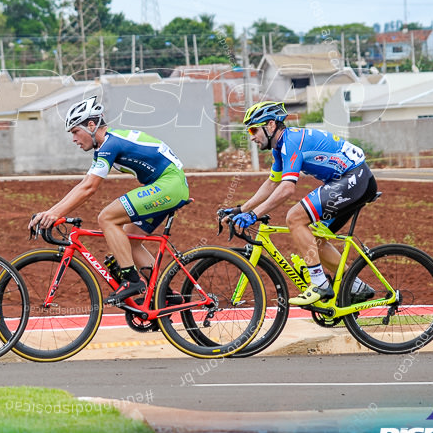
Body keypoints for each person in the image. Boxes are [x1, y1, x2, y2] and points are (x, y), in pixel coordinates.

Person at [29, 96, 190, 305]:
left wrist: (55, 214)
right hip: (169, 185)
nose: (74, 139)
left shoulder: (110, 144)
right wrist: (50, 211)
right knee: (130, 241)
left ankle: (132, 280)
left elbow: (89, 188)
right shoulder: (106, 145)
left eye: (75, 132)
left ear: (91, 125)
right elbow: (83, 184)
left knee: (107, 218)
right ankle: (164, 294)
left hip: (169, 184)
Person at [227, 100, 376, 307]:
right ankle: (356, 286)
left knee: (295, 218)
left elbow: (287, 188)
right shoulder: (280, 148)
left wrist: (253, 215)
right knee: (315, 242)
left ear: (270, 125)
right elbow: (273, 183)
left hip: (354, 178)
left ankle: (319, 284)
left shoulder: (291, 142)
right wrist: (241, 209)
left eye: (253, 129)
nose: (251, 136)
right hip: (349, 181)